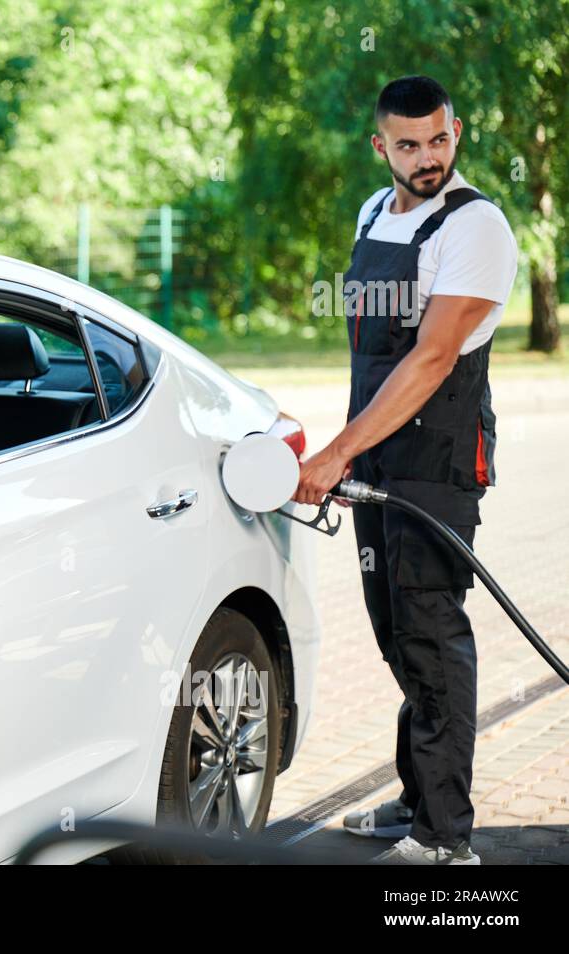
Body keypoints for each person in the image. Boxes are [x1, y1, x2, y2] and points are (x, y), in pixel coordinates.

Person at [292, 75, 517, 865]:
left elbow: (428, 360)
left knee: (431, 631)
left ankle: (446, 838)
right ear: (379, 145)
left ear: (457, 131)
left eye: (440, 140)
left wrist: (337, 450)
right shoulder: (372, 214)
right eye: (410, 144)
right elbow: (369, 353)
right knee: (396, 630)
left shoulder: (476, 226)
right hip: (377, 452)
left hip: (435, 460)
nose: (428, 158)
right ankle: (416, 798)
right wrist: (348, 441)